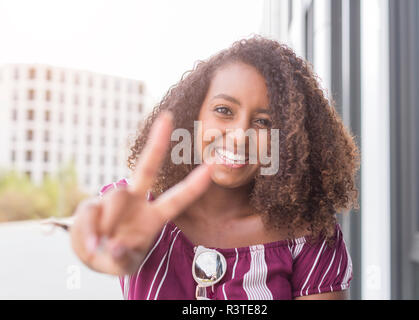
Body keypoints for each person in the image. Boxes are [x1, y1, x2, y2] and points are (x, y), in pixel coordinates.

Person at [69, 35, 360, 300]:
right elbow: (103, 241)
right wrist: (101, 247)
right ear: (194, 114)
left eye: (263, 122)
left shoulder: (311, 238)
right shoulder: (140, 209)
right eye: (224, 111)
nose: (238, 135)